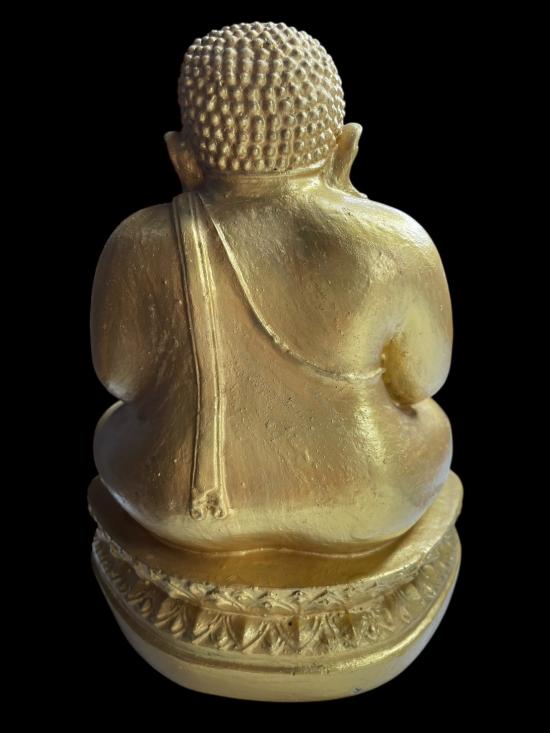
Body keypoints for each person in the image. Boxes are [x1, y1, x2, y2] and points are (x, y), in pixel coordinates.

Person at [91, 22, 453, 554]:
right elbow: (422, 381)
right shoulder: (397, 242)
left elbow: (120, 378)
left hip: (182, 506)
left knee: (114, 427)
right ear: (345, 148)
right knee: (431, 424)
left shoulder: (136, 241)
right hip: (376, 497)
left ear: (181, 158)